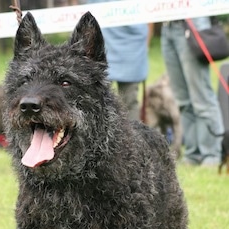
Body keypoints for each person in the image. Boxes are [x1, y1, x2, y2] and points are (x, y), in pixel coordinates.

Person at [161, 17, 224, 166]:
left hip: (191, 23)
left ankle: (211, 155)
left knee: (201, 97)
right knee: (182, 100)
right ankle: (192, 154)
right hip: (166, 25)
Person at [88, 0, 151, 120]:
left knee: (130, 100)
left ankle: (133, 136)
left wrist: (145, 44)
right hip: (101, 36)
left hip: (131, 41)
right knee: (98, 99)